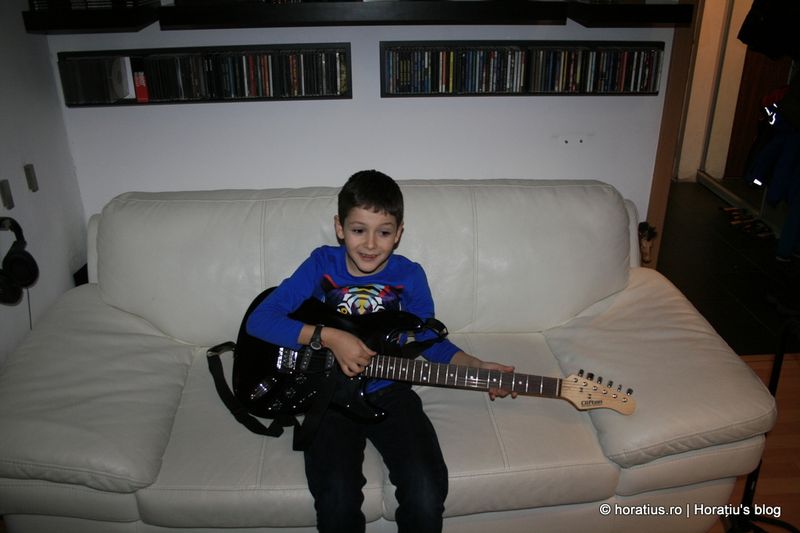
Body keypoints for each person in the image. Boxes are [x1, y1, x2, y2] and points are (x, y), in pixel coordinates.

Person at [246, 170, 516, 533]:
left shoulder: (410, 276)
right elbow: (260, 320)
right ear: (339, 228)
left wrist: (476, 365)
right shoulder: (321, 265)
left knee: (426, 490)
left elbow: (428, 341)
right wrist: (328, 336)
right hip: (327, 398)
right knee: (336, 499)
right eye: (359, 230)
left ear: (399, 233)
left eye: (384, 232)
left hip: (390, 392)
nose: (371, 244)